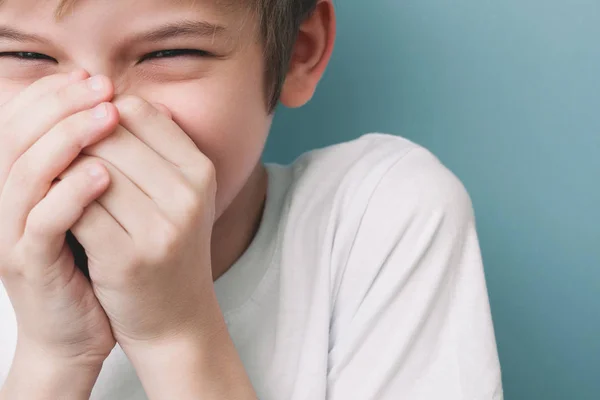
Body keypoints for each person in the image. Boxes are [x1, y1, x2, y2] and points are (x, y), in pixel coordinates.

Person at [0, 0, 503, 399]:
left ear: (298, 53)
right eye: (24, 56)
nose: (94, 117)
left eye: (169, 53)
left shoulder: (375, 218)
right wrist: (52, 357)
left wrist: (175, 334)